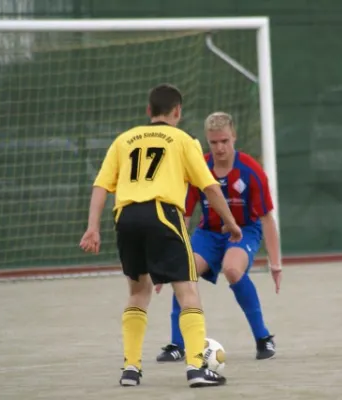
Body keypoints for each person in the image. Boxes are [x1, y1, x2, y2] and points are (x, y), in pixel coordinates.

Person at [79, 85, 242, 388]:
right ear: (177, 112)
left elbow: (101, 185)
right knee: (188, 291)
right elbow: (209, 187)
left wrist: (93, 228)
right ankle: (196, 367)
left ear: (148, 110)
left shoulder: (123, 140)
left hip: (125, 218)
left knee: (138, 293)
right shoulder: (183, 140)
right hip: (162, 214)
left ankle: (130, 369)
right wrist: (231, 222)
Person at [155, 111, 282, 363]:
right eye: (214, 142)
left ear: (234, 137)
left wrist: (275, 264)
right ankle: (177, 345)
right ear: (207, 141)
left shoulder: (251, 171)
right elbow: (185, 215)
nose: (220, 147)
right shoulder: (198, 168)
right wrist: (166, 263)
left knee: (233, 270)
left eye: (224, 141)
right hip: (209, 233)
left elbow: (267, 218)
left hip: (244, 230)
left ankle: (263, 338)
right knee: (183, 271)